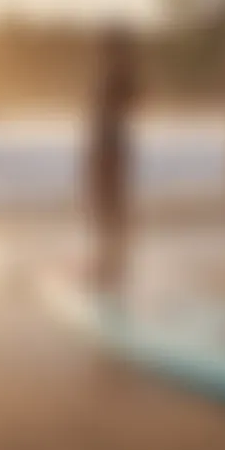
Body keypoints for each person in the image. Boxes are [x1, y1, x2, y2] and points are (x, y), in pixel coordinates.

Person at [86, 23, 138, 301]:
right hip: (112, 141)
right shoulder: (120, 75)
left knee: (108, 203)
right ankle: (111, 260)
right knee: (110, 203)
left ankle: (111, 262)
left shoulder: (115, 75)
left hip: (109, 142)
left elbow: (110, 114)